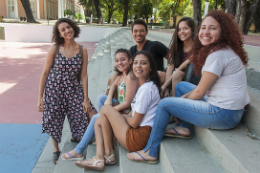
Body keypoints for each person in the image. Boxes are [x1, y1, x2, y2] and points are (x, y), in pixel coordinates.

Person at [127, 10, 250, 163]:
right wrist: (181, 104)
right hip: (228, 108)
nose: (205, 32)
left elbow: (198, 92)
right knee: (181, 86)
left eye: (212, 28)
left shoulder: (218, 55)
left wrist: (178, 106)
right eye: (203, 27)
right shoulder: (219, 50)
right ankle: (184, 127)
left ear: (223, 31)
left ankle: (150, 152)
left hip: (224, 113)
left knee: (165, 104)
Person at [74, 51, 161, 170]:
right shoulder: (146, 86)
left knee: (105, 108)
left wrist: (123, 117)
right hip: (138, 133)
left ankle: (108, 155)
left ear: (151, 67)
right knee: (99, 121)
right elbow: (133, 112)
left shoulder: (146, 89)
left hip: (138, 138)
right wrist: (120, 116)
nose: (138, 66)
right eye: (136, 63)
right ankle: (100, 157)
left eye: (143, 63)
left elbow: (134, 122)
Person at [37, 18, 97, 164]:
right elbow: (45, 73)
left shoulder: (82, 50)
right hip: (54, 90)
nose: (67, 31)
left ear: (73, 28)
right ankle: (56, 149)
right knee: (54, 119)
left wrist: (85, 98)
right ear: (60, 34)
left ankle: (77, 136)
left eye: (68, 27)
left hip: (74, 89)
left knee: (84, 113)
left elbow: (83, 75)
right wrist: (40, 97)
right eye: (62, 30)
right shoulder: (55, 49)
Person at [61, 49, 139, 160]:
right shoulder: (122, 75)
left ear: (130, 61)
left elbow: (127, 103)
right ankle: (103, 127)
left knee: (97, 117)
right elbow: (113, 85)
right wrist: (108, 101)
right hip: (122, 110)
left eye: (123, 59)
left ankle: (79, 150)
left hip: (128, 114)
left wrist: (108, 111)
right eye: (117, 60)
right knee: (102, 98)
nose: (119, 63)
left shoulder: (131, 77)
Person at [107, 19, 169, 96]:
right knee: (112, 79)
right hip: (139, 78)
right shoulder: (132, 50)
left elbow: (172, 60)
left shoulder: (155, 46)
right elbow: (123, 66)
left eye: (141, 31)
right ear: (132, 33)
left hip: (154, 79)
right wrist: (113, 79)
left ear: (146, 32)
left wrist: (166, 84)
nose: (138, 34)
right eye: (135, 31)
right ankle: (110, 103)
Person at [160, 17, 196, 97]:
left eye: (185, 28)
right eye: (179, 30)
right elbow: (170, 66)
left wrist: (164, 86)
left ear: (192, 30)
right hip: (174, 75)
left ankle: (174, 104)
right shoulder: (176, 46)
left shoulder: (197, 47)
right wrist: (166, 88)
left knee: (177, 74)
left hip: (190, 78)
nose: (182, 32)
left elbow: (181, 69)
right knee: (157, 74)